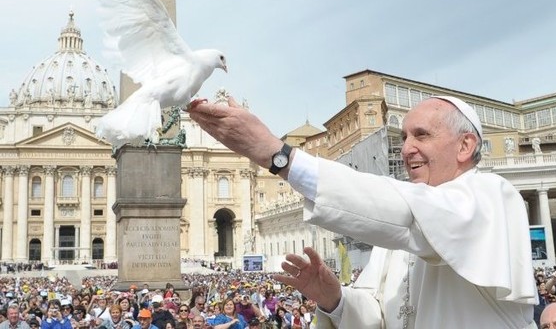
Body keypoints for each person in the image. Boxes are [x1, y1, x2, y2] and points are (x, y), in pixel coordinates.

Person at [188, 96, 537, 328]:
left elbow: (408, 212)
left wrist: (280, 157)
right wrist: (334, 298)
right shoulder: (399, 233)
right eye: (404, 138)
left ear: (465, 145)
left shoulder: (493, 195)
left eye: (422, 135)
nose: (407, 149)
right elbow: (376, 315)